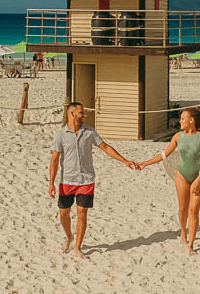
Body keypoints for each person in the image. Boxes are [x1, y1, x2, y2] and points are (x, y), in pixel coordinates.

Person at [48, 102, 138, 258]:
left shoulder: (89, 132)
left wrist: (124, 161)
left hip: (86, 180)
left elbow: (105, 147)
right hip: (66, 181)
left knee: (82, 213)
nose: (84, 115)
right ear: (72, 114)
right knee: (64, 214)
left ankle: (77, 248)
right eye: (81, 112)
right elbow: (54, 160)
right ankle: (69, 236)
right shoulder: (60, 135)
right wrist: (51, 183)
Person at [138, 107, 200, 255]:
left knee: (194, 211)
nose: (180, 121)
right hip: (182, 176)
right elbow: (164, 155)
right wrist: (145, 163)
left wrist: (198, 179)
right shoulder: (178, 136)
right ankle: (183, 232)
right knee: (183, 209)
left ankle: (191, 245)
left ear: (191, 120)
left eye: (183, 118)